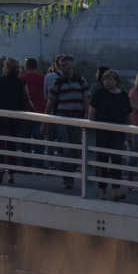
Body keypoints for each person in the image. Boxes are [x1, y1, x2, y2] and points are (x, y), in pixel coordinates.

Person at [46, 55, 89, 190]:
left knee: (76, 150)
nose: (61, 68)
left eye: (64, 65)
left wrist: (87, 117)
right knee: (65, 149)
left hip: (77, 119)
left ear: (71, 66)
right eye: (60, 65)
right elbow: (51, 101)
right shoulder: (57, 83)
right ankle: (68, 179)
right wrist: (45, 119)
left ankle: (70, 172)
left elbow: (86, 100)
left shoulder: (81, 81)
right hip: (62, 118)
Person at [89, 69, 131, 200]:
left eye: (110, 79)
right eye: (105, 79)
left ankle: (116, 190)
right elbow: (92, 112)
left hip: (117, 133)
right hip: (101, 132)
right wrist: (91, 128)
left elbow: (128, 115)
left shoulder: (123, 95)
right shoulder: (99, 94)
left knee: (117, 160)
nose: (107, 82)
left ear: (116, 81)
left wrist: (130, 135)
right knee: (102, 161)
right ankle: (102, 191)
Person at [0, 57, 29, 185]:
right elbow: (26, 98)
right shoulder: (21, 82)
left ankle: (0, 169)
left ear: (5, 68)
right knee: (12, 144)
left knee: (0, 143)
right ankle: (11, 173)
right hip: (15, 116)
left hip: (1, 115)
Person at [19, 58, 47, 161]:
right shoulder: (43, 78)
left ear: (26, 67)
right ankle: (38, 164)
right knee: (39, 140)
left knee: (25, 140)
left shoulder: (22, 78)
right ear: (36, 66)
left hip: (26, 111)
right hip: (41, 111)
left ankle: (27, 164)